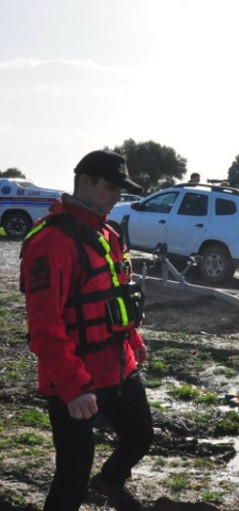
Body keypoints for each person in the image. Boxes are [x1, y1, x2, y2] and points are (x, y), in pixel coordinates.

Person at [20, 150, 154, 511]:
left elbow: (117, 294)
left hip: (118, 363)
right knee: (72, 477)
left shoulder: (107, 232)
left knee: (141, 436)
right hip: (73, 379)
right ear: (84, 183)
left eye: (120, 189)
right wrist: (74, 387)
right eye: (110, 187)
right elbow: (44, 327)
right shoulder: (52, 241)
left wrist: (134, 338)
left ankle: (109, 481)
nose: (118, 196)